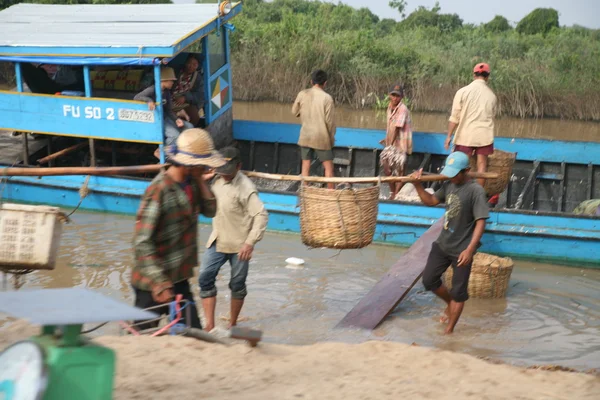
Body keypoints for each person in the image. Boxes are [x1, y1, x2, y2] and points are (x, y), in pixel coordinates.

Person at [131, 128, 225, 331]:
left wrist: (200, 180)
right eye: (202, 164)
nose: (206, 167)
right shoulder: (159, 190)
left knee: (193, 334)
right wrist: (159, 282)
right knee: (142, 337)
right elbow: (141, 241)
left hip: (179, 277)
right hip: (153, 281)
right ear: (189, 164)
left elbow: (211, 210)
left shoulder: (191, 184)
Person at [410, 152, 489, 334]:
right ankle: (449, 303)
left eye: (456, 173)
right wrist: (417, 185)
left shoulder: (475, 191)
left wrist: (470, 250)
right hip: (443, 244)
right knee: (429, 280)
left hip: (462, 249)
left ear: (467, 171)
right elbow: (430, 201)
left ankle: (449, 331)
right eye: (450, 173)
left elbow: (481, 221)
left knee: (458, 293)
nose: (452, 177)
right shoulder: (449, 185)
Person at [199, 147, 269, 332]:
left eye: (228, 171)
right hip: (218, 239)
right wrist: (202, 180)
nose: (225, 175)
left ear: (239, 166)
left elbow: (261, 215)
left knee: (237, 284)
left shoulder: (246, 187)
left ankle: (233, 324)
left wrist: (250, 242)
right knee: (205, 277)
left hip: (240, 245)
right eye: (222, 171)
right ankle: (210, 324)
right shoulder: (215, 179)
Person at [445, 63, 498, 188]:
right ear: (487, 77)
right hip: (484, 135)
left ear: (474, 75)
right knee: (481, 165)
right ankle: (478, 192)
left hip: (465, 134)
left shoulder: (462, 92)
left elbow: (454, 117)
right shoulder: (492, 96)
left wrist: (448, 136)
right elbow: (492, 117)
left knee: (460, 164)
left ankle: (461, 190)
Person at [134, 67, 193, 159]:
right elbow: (137, 97)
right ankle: (162, 152)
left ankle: (180, 152)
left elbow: (169, 110)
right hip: (157, 119)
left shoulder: (167, 92)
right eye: (171, 81)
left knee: (189, 127)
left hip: (166, 117)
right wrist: (149, 100)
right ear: (164, 80)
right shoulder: (152, 89)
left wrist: (176, 119)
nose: (172, 83)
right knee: (174, 136)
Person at [292, 69, 336, 189]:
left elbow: (294, 111)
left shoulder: (302, 94)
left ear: (311, 81)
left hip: (305, 136)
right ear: (325, 83)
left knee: (305, 165)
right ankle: (330, 195)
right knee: (329, 168)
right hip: (321, 137)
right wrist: (331, 140)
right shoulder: (327, 98)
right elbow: (330, 123)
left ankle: (305, 192)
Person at [380, 84, 413, 200]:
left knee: (400, 172)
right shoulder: (389, 108)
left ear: (401, 97)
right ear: (389, 95)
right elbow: (390, 127)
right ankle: (393, 192)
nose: (395, 98)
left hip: (401, 145)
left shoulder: (402, 109)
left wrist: (389, 145)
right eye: (393, 95)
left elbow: (398, 128)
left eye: (397, 96)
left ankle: (395, 194)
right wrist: (387, 139)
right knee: (386, 168)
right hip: (392, 143)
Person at [172, 55, 205, 127]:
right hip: (171, 99)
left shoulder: (198, 78)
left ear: (198, 66)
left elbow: (200, 96)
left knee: (194, 116)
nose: (191, 66)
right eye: (189, 63)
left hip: (187, 102)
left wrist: (185, 97)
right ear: (185, 63)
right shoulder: (176, 71)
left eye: (194, 65)